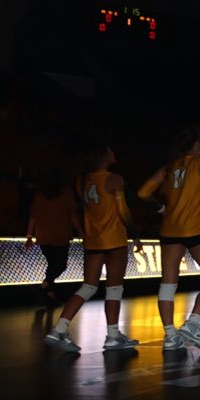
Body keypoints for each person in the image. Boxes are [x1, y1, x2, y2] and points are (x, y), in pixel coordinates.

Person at [42, 144, 143, 353]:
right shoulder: (115, 179)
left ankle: (58, 329)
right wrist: (135, 235)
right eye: (109, 150)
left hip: (93, 240)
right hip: (113, 239)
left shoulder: (82, 180)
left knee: (88, 287)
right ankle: (113, 336)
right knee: (114, 288)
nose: (113, 152)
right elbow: (123, 212)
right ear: (102, 157)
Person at [139, 125, 200, 351]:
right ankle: (192, 323)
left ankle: (170, 336)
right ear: (198, 144)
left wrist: (161, 210)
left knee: (168, 284)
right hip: (196, 229)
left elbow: (142, 193)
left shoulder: (168, 168)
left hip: (169, 231)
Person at [26, 169, 78, 305]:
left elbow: (33, 217)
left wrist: (29, 235)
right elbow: (73, 215)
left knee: (52, 265)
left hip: (43, 235)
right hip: (60, 234)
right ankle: (43, 287)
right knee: (60, 265)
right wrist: (82, 231)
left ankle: (50, 295)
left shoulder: (40, 196)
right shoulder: (67, 194)